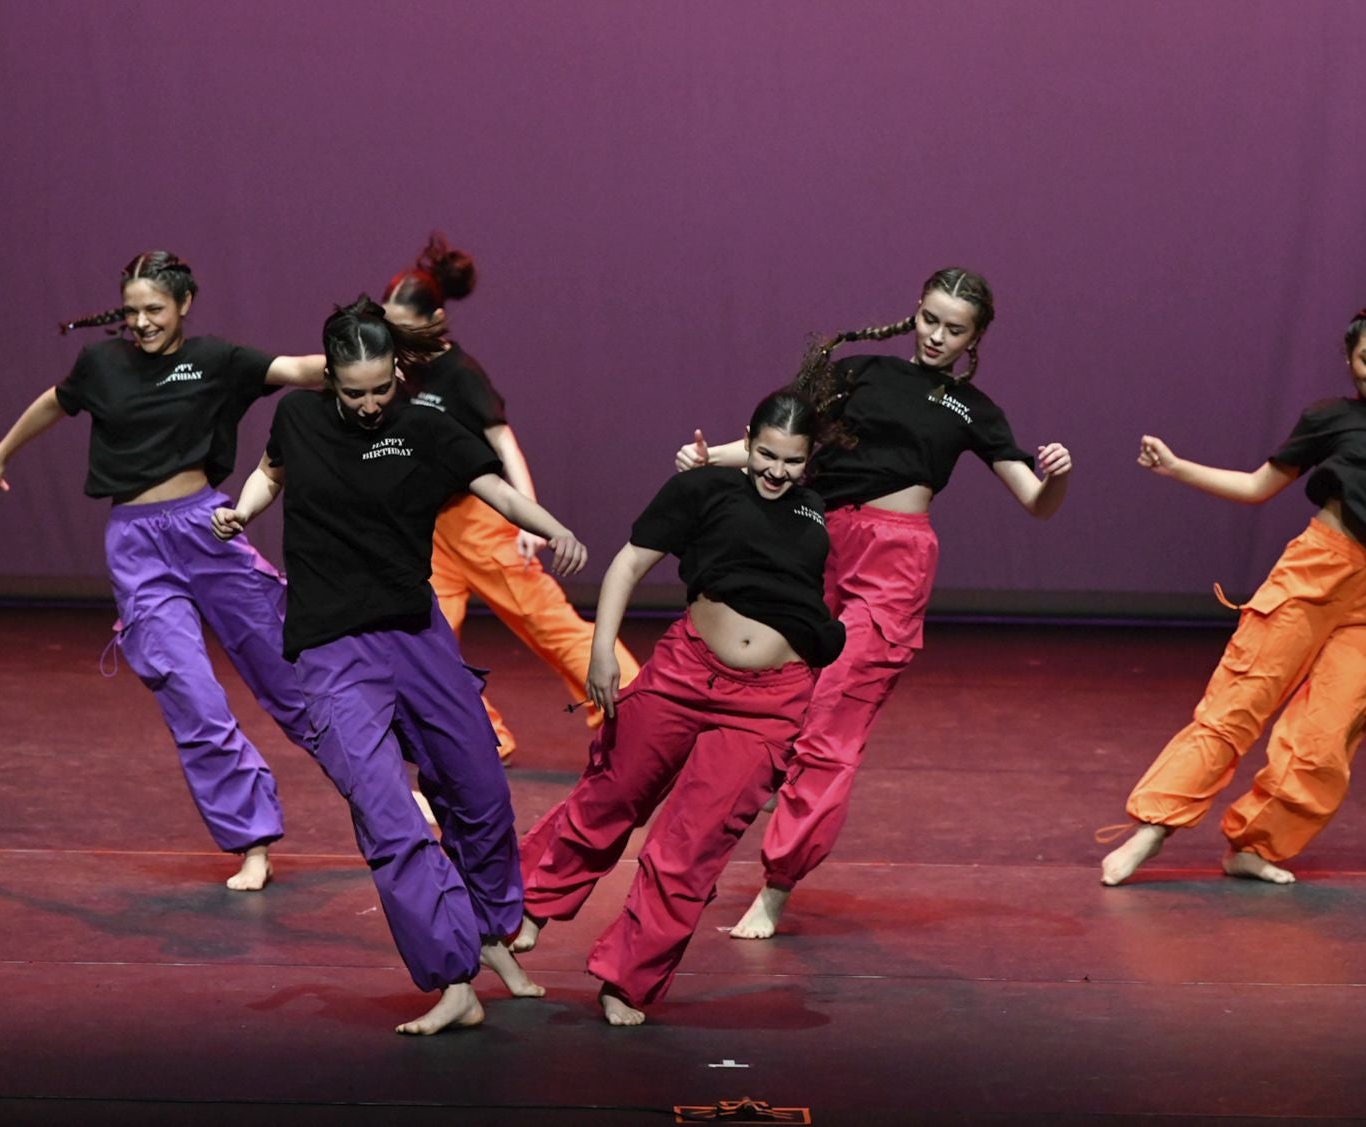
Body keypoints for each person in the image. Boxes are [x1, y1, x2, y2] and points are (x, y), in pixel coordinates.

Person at [211, 297, 585, 1035]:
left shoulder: (422, 425)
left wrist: (551, 526)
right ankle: (453, 978)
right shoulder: (299, 419)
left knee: (478, 790)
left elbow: (494, 488)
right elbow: (270, 472)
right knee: (387, 815)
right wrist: (241, 510)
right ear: (330, 380)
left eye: (382, 387)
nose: (372, 403)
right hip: (330, 649)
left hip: (416, 638)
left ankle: (490, 931)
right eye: (356, 392)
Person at [677, 267, 1073, 939]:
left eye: (954, 328)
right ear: (913, 312)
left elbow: (1035, 502)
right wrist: (708, 457)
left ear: (975, 337)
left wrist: (1055, 479)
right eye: (929, 319)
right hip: (813, 540)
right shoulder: (860, 373)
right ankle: (698, 853)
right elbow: (782, 447)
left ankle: (776, 883)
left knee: (832, 718)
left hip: (893, 560)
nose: (936, 336)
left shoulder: (972, 408)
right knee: (768, 696)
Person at [1099, 305, 1366, 887]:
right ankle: (1152, 831)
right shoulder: (1329, 419)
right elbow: (1259, 486)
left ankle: (1253, 845)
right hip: (1320, 570)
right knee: (1239, 702)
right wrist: (1178, 469)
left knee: (1326, 739)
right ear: (1349, 358)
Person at [0, 250, 324, 891]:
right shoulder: (101, 364)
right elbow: (53, 403)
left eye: (154, 310)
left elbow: (300, 369)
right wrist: (1, 456)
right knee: (189, 695)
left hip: (207, 529)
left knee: (285, 669)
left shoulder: (216, 359)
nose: (141, 323)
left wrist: (372, 358)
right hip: (136, 546)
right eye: (132, 311)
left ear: (184, 304)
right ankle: (252, 841)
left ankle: (379, 791)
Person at [514, 387, 845, 1025]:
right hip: (686, 670)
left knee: (689, 848)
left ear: (810, 461)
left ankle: (626, 979)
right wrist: (601, 652)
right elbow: (628, 563)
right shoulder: (704, 490)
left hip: (770, 700)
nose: (777, 472)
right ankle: (530, 902)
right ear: (747, 441)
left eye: (792, 462)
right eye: (766, 455)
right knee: (610, 796)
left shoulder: (818, 508)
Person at [380, 233, 639, 764]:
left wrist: (530, 523)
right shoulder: (399, 367)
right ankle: (482, 735)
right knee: (426, 639)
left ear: (432, 323)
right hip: (435, 530)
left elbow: (504, 443)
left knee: (550, 626)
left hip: (482, 521)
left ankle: (640, 717)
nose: (391, 336)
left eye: (401, 328)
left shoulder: (460, 374)